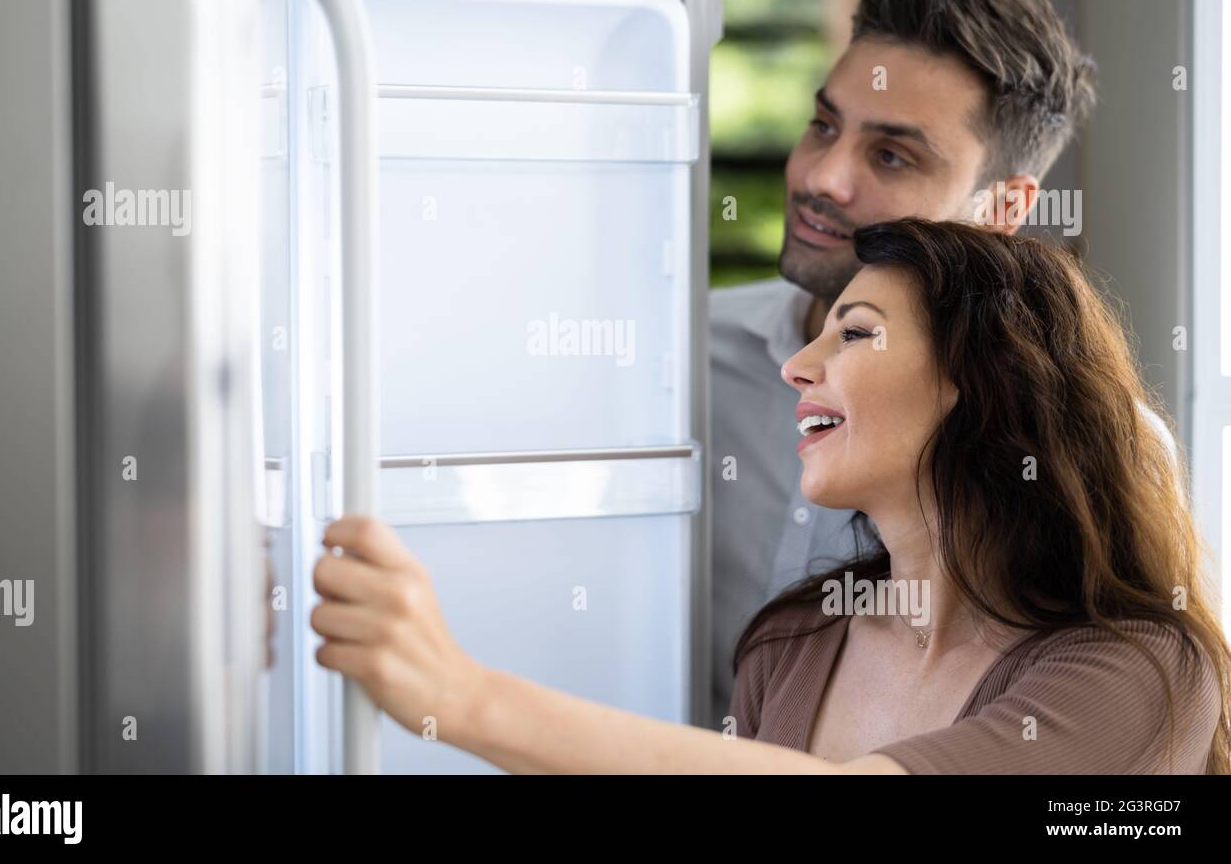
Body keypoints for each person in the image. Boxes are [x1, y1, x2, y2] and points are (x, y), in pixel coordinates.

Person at [310, 219, 1228, 773]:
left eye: (854, 334)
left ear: (984, 384)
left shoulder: (1143, 674)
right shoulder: (792, 641)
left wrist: (463, 697)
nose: (797, 366)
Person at [707, 0, 1181, 729]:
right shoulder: (688, 360)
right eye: (823, 125)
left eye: (892, 156)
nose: (825, 177)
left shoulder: (1093, 450)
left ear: (1003, 207)